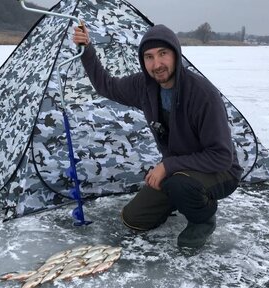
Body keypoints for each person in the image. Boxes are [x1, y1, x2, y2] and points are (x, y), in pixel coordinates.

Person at [73, 24, 243, 249]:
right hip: (179, 170)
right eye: (149, 57)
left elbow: (221, 156)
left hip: (220, 171)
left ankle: (203, 218)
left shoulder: (203, 94)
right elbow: (107, 86)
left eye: (163, 54)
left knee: (181, 185)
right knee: (133, 219)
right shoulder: (144, 85)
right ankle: (175, 198)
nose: (157, 64)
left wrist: (167, 166)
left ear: (176, 54)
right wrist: (87, 49)